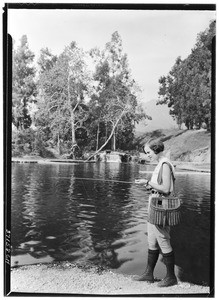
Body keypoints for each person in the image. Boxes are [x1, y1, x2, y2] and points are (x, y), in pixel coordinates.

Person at [134, 139, 177, 287]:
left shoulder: (165, 164)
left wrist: (148, 182)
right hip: (154, 207)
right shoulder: (160, 164)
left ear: (156, 150)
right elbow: (158, 187)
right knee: (152, 240)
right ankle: (148, 274)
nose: (148, 155)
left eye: (149, 152)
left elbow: (165, 189)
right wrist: (147, 184)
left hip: (161, 209)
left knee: (163, 240)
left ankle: (171, 277)